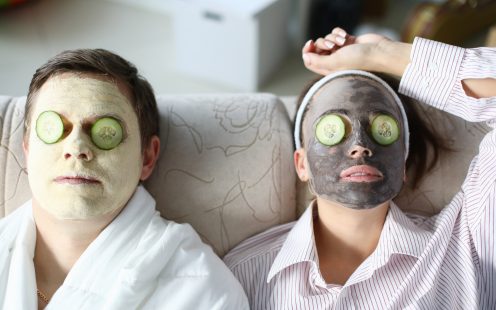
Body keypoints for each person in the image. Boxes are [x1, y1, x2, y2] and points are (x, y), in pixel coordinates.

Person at [224, 27, 496, 309]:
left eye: (382, 129)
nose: (360, 146)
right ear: (302, 164)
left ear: (403, 162)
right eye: (334, 130)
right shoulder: (243, 274)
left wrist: (379, 53)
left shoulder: (464, 248)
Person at [0, 49, 248, 309]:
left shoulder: (203, 291)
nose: (76, 147)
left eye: (105, 131)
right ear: (27, 150)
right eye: (55, 128)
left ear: (147, 157)